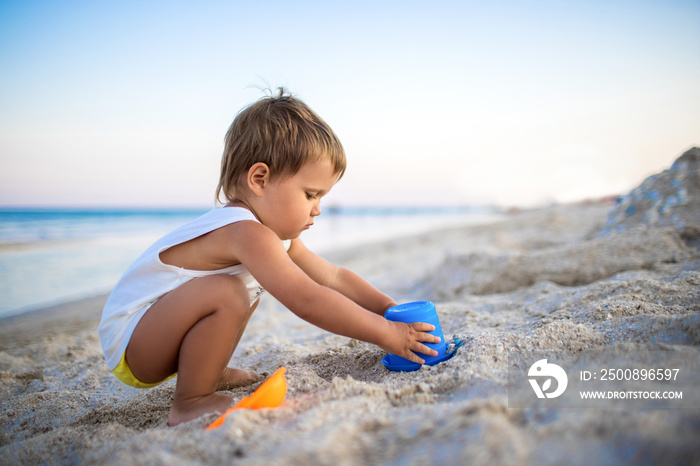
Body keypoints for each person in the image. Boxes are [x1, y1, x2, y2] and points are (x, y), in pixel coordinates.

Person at [98, 88, 440, 426]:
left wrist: (388, 310)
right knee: (228, 292)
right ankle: (191, 401)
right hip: (134, 344)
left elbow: (332, 277)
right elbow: (307, 298)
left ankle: (207, 371)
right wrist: (387, 334)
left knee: (242, 291)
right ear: (260, 179)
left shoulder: (272, 236)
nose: (318, 209)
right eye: (310, 194)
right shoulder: (244, 231)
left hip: (159, 334)